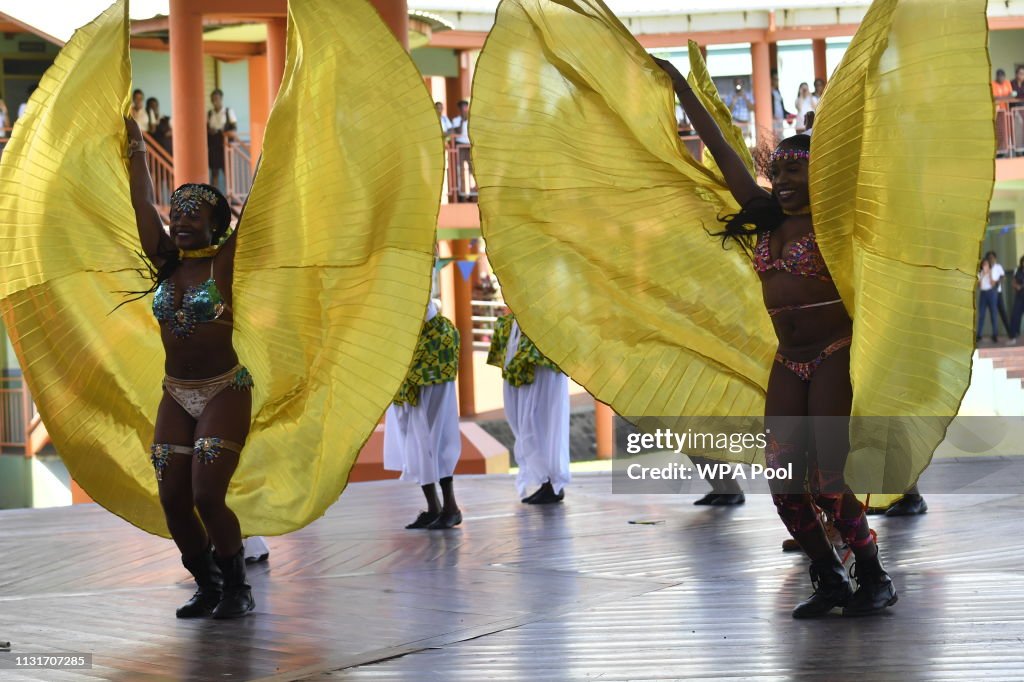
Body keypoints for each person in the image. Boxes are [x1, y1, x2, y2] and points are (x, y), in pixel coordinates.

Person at [655, 56, 897, 617]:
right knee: (785, 486)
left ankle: (873, 574)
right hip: (790, 362)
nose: (784, 181)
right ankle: (830, 577)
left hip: (835, 354)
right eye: (779, 172)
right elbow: (722, 153)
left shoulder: (837, 224)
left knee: (831, 479)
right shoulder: (765, 219)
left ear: (820, 176)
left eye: (796, 172)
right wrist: (682, 91)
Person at [124, 116, 254, 619]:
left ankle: (238, 587)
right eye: (175, 212)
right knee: (173, 497)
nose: (178, 221)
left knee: (205, 493)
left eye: (191, 215)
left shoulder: (225, 262)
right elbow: (141, 204)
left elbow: (263, 202)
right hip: (175, 392)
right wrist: (137, 150)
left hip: (225, 389)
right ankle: (207, 584)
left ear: (215, 225)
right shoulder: (165, 263)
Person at [384, 300, 463, 529]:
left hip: (430, 381)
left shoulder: (440, 329)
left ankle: (451, 507)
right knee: (414, 444)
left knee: (436, 439)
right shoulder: (402, 330)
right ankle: (434, 508)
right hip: (406, 383)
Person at [487, 313, 570, 504]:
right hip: (517, 377)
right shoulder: (506, 324)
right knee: (524, 428)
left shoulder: (550, 320)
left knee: (544, 427)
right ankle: (545, 482)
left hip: (542, 374)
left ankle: (553, 483)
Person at [207, 89, 237, 193]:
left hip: (225, 145)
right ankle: (213, 198)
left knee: (227, 172)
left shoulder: (228, 112)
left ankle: (230, 196)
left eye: (217, 98)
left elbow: (234, 128)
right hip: (214, 146)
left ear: (221, 99)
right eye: (213, 99)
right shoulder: (209, 113)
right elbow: (205, 129)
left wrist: (221, 131)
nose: (215, 101)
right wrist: (210, 131)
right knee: (214, 173)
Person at [449, 100, 474, 197]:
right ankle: (461, 194)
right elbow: (457, 131)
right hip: (460, 146)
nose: (464, 109)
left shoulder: (472, 119)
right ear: (459, 109)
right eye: (462, 107)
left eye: (465, 107)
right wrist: (462, 121)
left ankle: (473, 193)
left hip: (470, 146)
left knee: (472, 170)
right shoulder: (456, 120)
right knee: (460, 169)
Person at [989, 252, 1011, 340]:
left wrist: (997, 281)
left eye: (992, 257)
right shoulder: (986, 267)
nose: (991, 259)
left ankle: (1010, 332)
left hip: (998, 293)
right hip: (989, 294)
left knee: (1003, 312)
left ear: (995, 258)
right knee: (993, 314)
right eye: (989, 258)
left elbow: (1003, 277)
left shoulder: (998, 267)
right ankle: (995, 335)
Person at [978, 256, 999, 343]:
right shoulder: (980, 273)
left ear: (989, 265)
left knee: (993, 314)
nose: (985, 266)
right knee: (981, 315)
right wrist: (983, 275)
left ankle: (995, 335)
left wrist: (989, 274)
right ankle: (979, 335)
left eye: (986, 264)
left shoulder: (993, 272)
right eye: (983, 264)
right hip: (983, 294)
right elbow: (980, 286)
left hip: (991, 293)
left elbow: (993, 284)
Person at [770, 69, 793, 141]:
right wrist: (772, 115)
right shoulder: (768, 91)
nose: (777, 81)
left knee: (780, 137)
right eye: (775, 79)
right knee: (774, 138)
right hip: (773, 120)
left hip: (780, 119)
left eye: (777, 79)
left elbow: (781, 107)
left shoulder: (777, 91)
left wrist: (788, 114)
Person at [1011, 255, 1024, 342]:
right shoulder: (1017, 270)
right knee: (1015, 315)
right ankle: (1013, 335)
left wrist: (1021, 286)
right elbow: (1013, 282)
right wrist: (1016, 286)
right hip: (1019, 296)